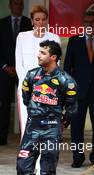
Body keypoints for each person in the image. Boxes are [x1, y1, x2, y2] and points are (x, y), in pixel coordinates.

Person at [16, 40, 77, 174]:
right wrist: (36, 112)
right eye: (39, 52)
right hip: (32, 127)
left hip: (52, 129)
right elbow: (26, 98)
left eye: (43, 53)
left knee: (47, 170)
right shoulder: (31, 75)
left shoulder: (66, 80)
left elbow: (72, 108)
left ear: (53, 57)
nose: (38, 55)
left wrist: (62, 124)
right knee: (23, 166)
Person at [64, 11, 94, 168]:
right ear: (83, 23)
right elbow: (67, 68)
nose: (90, 25)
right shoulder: (74, 41)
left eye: (93, 22)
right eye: (87, 22)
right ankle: (77, 157)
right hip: (78, 93)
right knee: (76, 128)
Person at [15, 5, 60, 138]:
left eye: (43, 19)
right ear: (32, 21)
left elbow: (55, 64)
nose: (40, 22)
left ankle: (41, 158)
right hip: (26, 88)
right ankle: (27, 156)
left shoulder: (54, 38)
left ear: (47, 21)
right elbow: (19, 64)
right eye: (37, 19)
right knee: (27, 125)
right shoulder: (22, 37)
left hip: (47, 89)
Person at [0, 0, 32, 145]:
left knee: (26, 103)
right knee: (4, 104)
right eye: (15, 4)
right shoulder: (1, 23)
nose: (17, 7)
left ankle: (27, 137)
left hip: (23, 71)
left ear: (23, 6)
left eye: (20, 4)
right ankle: (2, 137)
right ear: (10, 6)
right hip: (5, 71)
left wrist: (21, 67)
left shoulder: (28, 23)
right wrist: (5, 66)